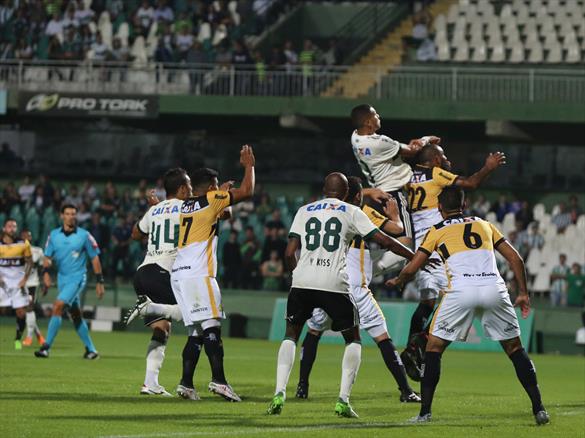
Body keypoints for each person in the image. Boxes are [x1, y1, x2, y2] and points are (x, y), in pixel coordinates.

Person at [387, 187, 549, 425]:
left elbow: (413, 266)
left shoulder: (437, 230)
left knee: (433, 348)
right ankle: (539, 409)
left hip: (460, 291)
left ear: (440, 208)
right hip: (494, 288)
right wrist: (523, 293)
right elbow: (516, 258)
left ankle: (424, 413)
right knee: (515, 350)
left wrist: (399, 280)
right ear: (464, 205)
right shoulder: (484, 224)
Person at [266, 172, 416, 418]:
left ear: (324, 188)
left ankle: (280, 392)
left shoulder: (304, 209)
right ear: (347, 193)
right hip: (335, 283)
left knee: (291, 334)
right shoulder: (352, 211)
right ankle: (343, 400)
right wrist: (414, 257)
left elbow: (289, 251)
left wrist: (298, 275)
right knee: (353, 338)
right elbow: (387, 240)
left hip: (303, 281)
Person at [402, 144, 506, 379]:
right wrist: (488, 168)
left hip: (419, 247)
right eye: (444, 156)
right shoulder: (435, 173)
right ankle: (418, 345)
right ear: (436, 159)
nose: (447, 160)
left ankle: (412, 349)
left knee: (427, 302)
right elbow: (470, 184)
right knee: (455, 294)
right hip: (439, 243)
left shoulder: (407, 175)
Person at [170, 145, 256, 402]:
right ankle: (219, 381)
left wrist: (221, 193)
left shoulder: (185, 205)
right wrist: (249, 166)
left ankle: (186, 384)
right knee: (212, 329)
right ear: (210, 188)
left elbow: (224, 213)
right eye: (216, 185)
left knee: (195, 332)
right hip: (198, 273)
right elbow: (247, 192)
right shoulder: (210, 200)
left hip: (179, 274)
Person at [349, 104, 439, 269]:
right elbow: (413, 151)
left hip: (381, 192)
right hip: (394, 194)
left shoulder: (355, 138)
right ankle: (370, 272)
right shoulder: (379, 143)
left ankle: (365, 268)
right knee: (405, 247)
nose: (379, 116)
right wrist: (425, 139)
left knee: (393, 240)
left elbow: (403, 149)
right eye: (375, 114)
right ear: (369, 122)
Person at [130, 168, 193, 397]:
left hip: (143, 272)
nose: (192, 191)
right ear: (183, 189)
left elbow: (135, 234)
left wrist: (155, 211)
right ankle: (150, 307)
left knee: (161, 329)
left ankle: (150, 384)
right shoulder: (188, 206)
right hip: (162, 273)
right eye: (190, 187)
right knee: (197, 314)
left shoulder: (154, 209)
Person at [35, 204, 105, 359]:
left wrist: (100, 281)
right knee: (75, 315)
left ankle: (46, 347)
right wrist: (45, 273)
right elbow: (47, 257)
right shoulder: (53, 235)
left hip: (78, 278)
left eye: (74, 214)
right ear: (62, 216)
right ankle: (91, 350)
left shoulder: (84, 235)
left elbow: (94, 257)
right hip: (62, 279)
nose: (71, 216)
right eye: (67, 213)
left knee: (58, 305)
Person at [0, 218, 33, 350]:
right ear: (4, 229)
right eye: (9, 226)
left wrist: (25, 279)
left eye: (14, 226)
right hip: (2, 283)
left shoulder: (23, 244)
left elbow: (30, 262)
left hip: (18, 283)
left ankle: (18, 339)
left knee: (21, 313)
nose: (12, 229)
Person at [20, 229, 45, 347]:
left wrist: (44, 283)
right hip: (20, 284)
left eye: (28, 235)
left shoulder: (38, 251)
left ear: (31, 238)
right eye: (24, 236)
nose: (26, 237)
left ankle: (29, 338)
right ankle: (39, 335)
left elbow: (42, 268)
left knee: (29, 308)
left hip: (32, 284)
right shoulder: (16, 250)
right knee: (25, 311)